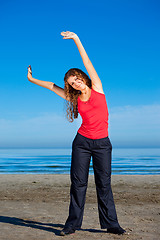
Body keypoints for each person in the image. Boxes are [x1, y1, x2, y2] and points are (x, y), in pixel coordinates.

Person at [27, 31, 126, 236]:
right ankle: (72, 225)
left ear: (83, 77)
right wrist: (31, 79)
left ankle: (112, 224)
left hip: (102, 144)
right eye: (72, 83)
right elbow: (52, 87)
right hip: (81, 143)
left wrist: (76, 39)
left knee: (103, 184)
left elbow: (87, 61)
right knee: (78, 184)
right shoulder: (75, 98)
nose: (76, 84)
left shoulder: (97, 87)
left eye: (77, 79)